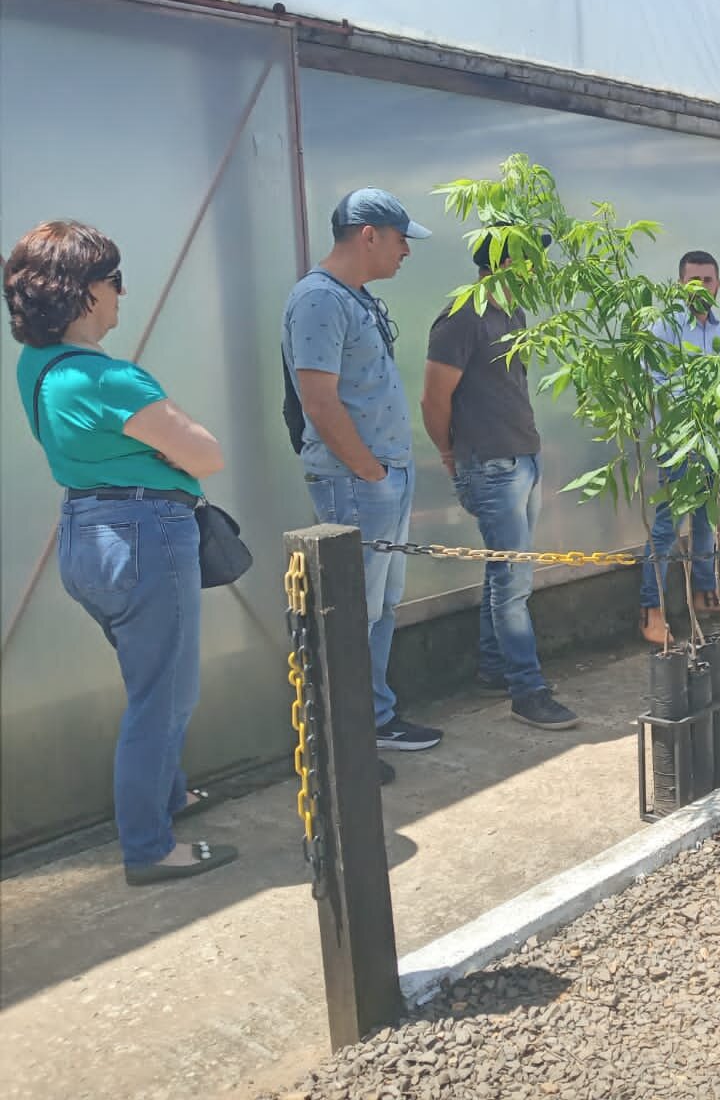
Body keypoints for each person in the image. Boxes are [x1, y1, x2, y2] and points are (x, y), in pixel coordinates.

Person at [7, 220, 238, 885]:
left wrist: (155, 450)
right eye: (114, 281)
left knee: (150, 683)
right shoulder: (109, 378)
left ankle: (169, 796)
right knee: (164, 698)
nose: (122, 294)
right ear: (82, 291)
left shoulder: (37, 368)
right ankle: (149, 847)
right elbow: (207, 455)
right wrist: (167, 449)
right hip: (145, 534)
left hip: (87, 533)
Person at [282, 188, 442, 752]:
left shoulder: (356, 298)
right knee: (351, 612)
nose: (406, 251)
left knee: (380, 606)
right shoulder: (320, 300)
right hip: (356, 482)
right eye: (401, 239)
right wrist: (370, 473)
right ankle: (346, 741)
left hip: (381, 476)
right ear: (368, 235)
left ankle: (374, 718)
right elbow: (319, 401)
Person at [420, 232, 577, 729]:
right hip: (490, 464)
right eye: (532, 258)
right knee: (514, 582)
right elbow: (433, 398)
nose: (540, 267)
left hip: (522, 458)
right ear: (507, 262)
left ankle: (495, 668)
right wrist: (450, 454)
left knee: (503, 570)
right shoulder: (461, 317)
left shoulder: (512, 313)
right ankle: (527, 691)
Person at [638, 251, 720, 646]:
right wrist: (695, 410)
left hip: (716, 442)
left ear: (718, 285)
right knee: (666, 528)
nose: (701, 287)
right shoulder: (664, 327)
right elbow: (655, 384)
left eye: (708, 280)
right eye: (693, 280)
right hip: (680, 442)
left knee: (705, 522)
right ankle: (651, 610)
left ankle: (705, 595)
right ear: (680, 285)